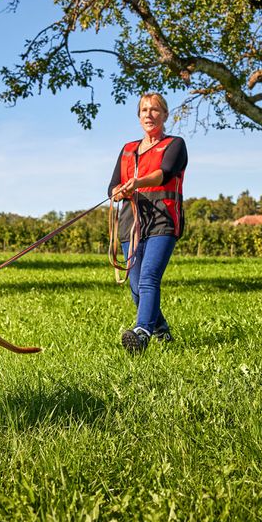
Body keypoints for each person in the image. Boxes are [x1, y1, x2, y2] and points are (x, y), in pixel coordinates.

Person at [108, 92, 188, 354]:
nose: (149, 115)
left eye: (155, 110)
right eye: (144, 110)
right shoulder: (127, 149)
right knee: (135, 286)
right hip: (131, 224)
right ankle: (161, 329)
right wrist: (118, 192)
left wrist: (138, 182)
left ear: (165, 115)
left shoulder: (175, 144)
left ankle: (142, 332)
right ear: (138, 116)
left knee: (149, 278)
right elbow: (112, 186)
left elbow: (163, 174)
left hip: (163, 221)